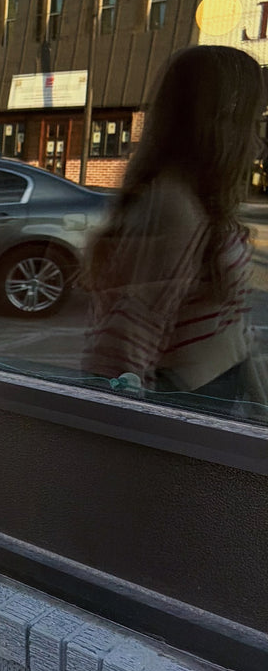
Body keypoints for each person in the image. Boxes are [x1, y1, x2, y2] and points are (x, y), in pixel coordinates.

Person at [82, 44, 266, 418]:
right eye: (251, 123)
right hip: (190, 401)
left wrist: (259, 408)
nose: (258, 144)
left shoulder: (200, 199)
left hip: (214, 392)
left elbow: (232, 326)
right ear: (220, 125)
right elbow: (128, 334)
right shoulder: (174, 205)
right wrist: (117, 424)